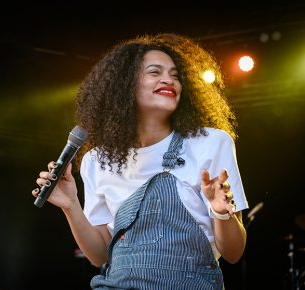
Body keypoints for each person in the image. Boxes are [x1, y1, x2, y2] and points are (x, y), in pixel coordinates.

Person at [32, 33, 248, 289]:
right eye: (155, 72)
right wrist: (70, 205)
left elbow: (234, 253)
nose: (169, 79)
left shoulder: (211, 143)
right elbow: (100, 255)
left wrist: (221, 213)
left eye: (175, 75)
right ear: (125, 85)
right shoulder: (96, 160)